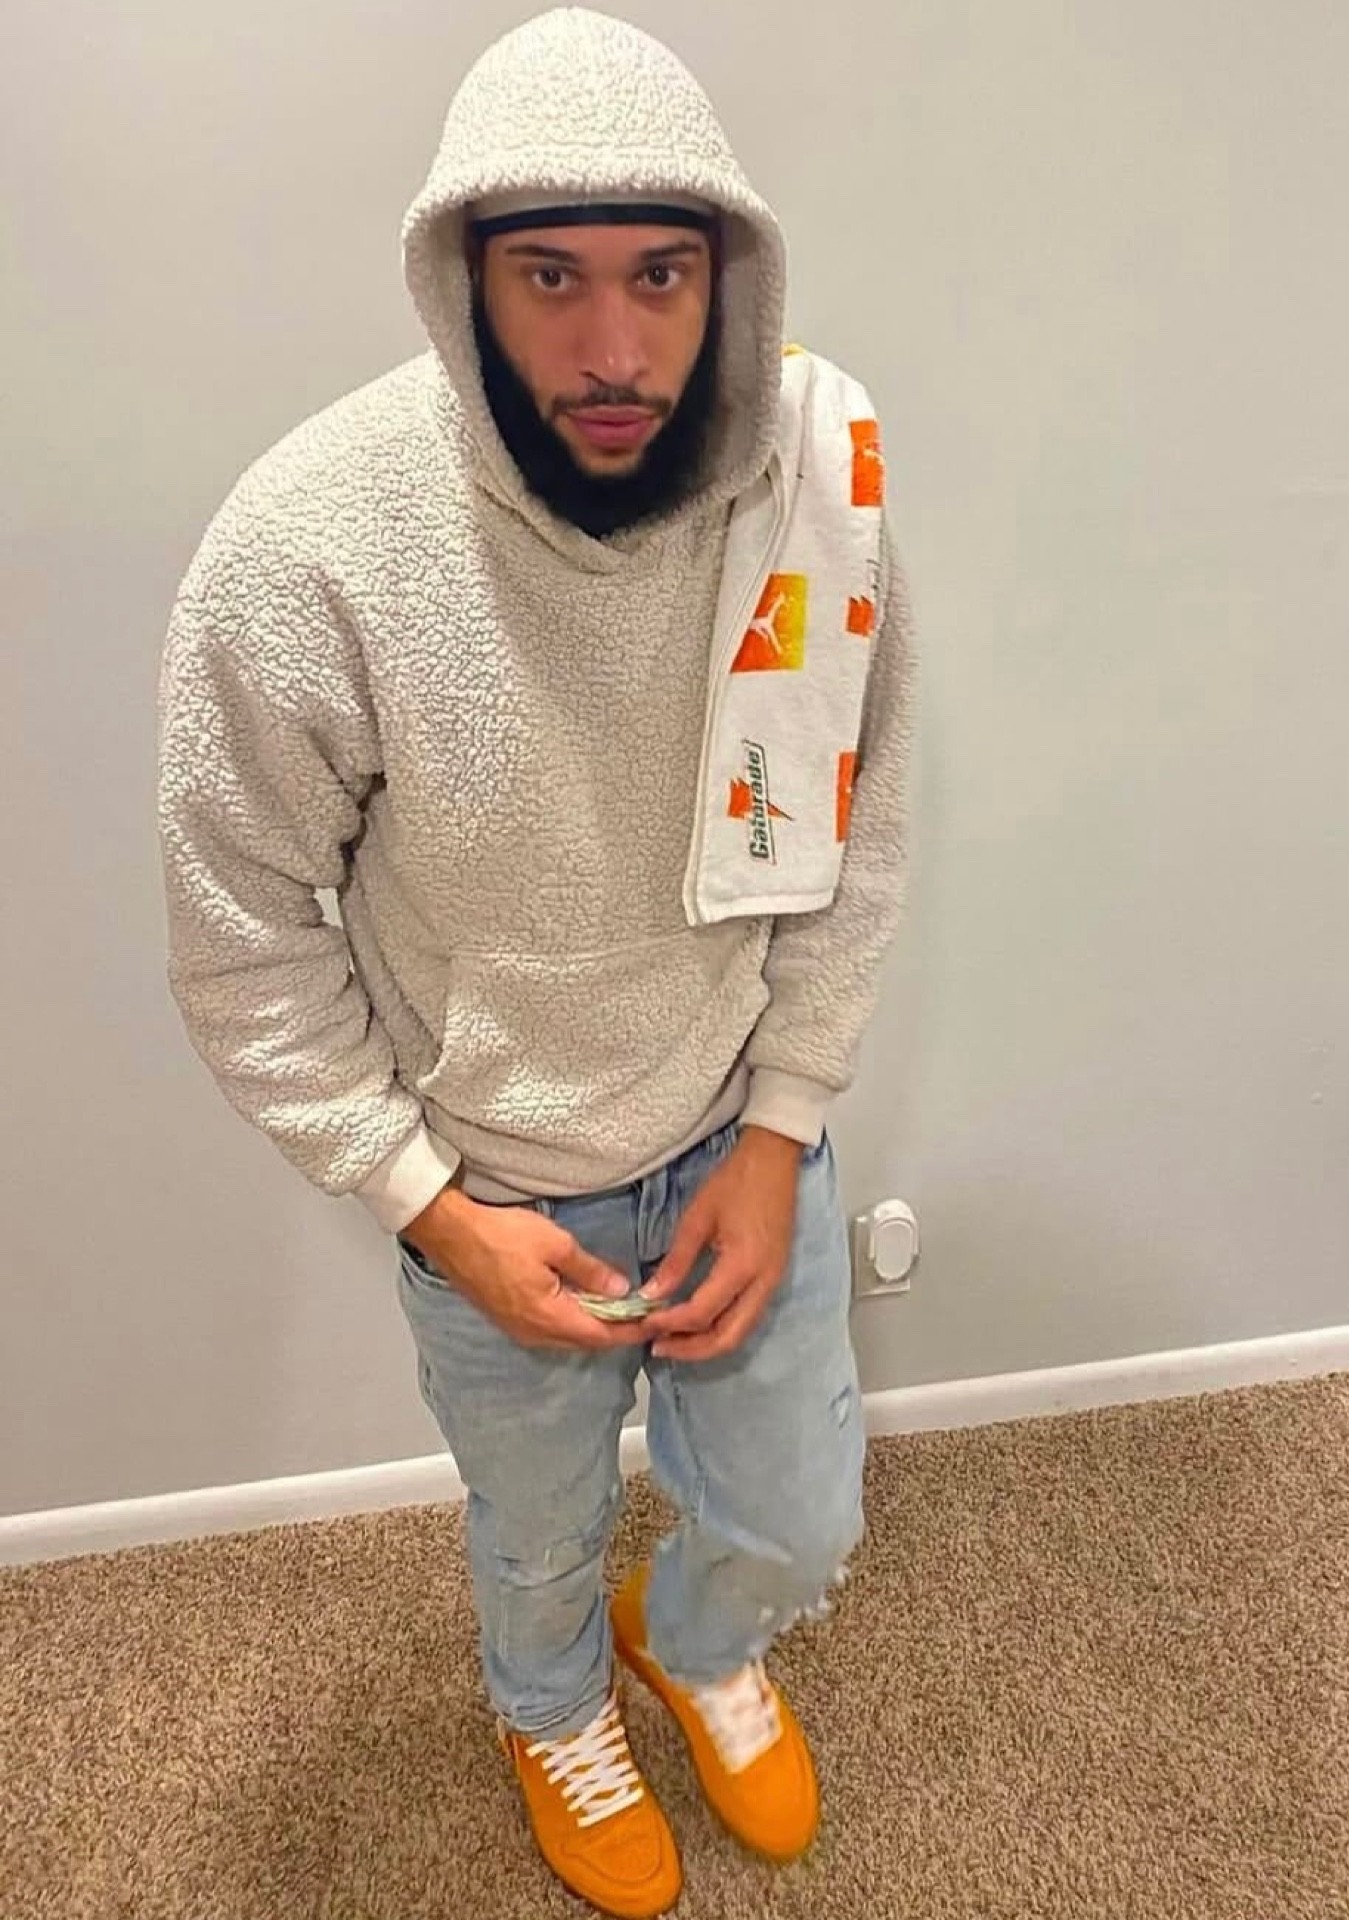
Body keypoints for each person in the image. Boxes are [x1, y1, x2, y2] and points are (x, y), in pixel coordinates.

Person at [155, 11, 916, 1916]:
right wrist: (429, 1206)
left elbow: (857, 830)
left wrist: (781, 1129)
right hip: (491, 1178)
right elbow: (243, 940)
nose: (612, 348)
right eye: (549, 277)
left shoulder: (814, 492)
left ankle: (703, 1639)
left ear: (726, 279)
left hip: (738, 1128)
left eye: (659, 276)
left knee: (799, 1507)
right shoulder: (308, 547)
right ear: (462, 281)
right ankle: (550, 1705)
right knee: (535, 1526)